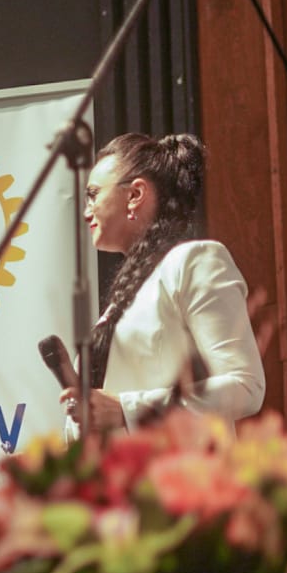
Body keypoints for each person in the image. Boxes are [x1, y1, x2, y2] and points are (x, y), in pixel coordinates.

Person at [63, 133, 265, 433]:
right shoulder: (115, 308)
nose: (86, 212)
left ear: (135, 194)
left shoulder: (193, 261)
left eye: (93, 195)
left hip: (181, 464)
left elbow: (245, 386)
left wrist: (127, 410)